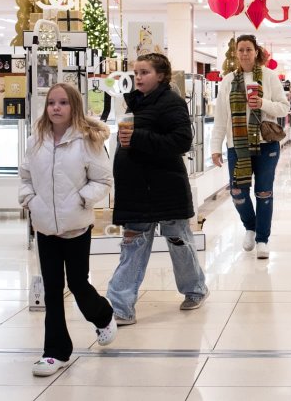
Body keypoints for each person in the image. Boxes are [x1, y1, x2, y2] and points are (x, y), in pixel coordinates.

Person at [19, 83, 117, 377]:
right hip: (45, 227)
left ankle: (103, 314)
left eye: (63, 103)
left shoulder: (87, 140)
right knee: (51, 291)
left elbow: (103, 181)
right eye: (52, 103)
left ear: (73, 106)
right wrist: (30, 201)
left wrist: (81, 200)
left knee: (77, 284)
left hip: (76, 227)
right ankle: (55, 352)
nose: (56, 108)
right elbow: (24, 176)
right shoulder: (35, 140)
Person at [107, 53, 208, 325]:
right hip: (136, 190)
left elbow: (182, 140)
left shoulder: (171, 102)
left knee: (179, 241)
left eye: (144, 72)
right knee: (132, 246)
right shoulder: (133, 103)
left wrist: (138, 136)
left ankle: (195, 288)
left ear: (161, 76)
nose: (138, 77)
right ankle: (120, 307)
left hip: (166, 188)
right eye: (136, 72)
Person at [211, 35, 290, 258]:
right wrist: (215, 148)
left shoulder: (269, 76)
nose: (245, 53)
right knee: (237, 192)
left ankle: (263, 239)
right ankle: (251, 226)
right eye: (241, 50)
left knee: (264, 192)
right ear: (236, 53)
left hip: (266, 145)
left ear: (256, 52)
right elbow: (220, 118)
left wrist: (263, 103)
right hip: (237, 145)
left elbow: (284, 108)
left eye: (249, 49)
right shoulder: (227, 81)